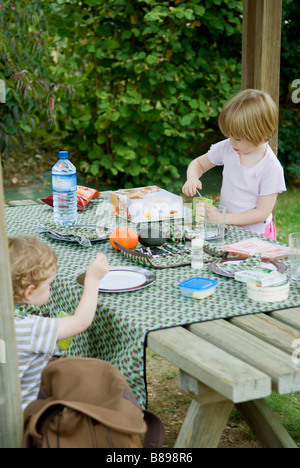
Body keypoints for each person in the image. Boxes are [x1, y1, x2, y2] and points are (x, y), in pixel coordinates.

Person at [9, 235, 109, 410]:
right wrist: (92, 279)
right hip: (24, 417)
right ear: (29, 292)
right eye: (49, 284)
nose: (51, 287)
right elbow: (80, 322)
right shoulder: (29, 328)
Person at [182, 89, 287, 240]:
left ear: (260, 135)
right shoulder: (229, 148)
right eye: (230, 136)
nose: (231, 142)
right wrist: (192, 178)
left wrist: (222, 218)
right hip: (228, 229)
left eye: (237, 138)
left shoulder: (271, 168)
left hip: (257, 236)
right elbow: (198, 163)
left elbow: (261, 213)